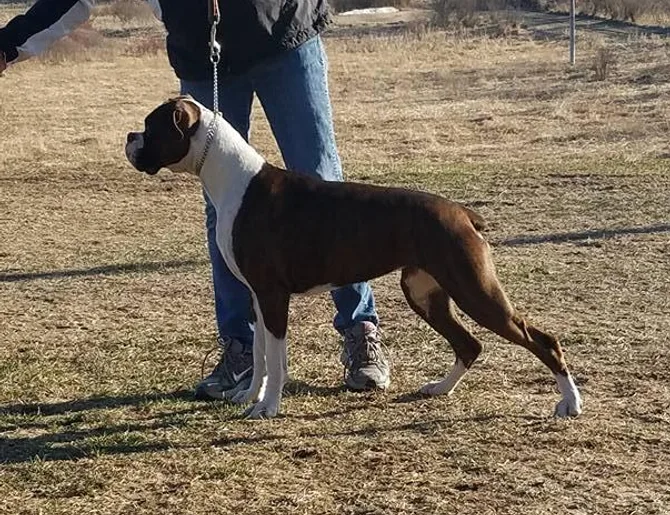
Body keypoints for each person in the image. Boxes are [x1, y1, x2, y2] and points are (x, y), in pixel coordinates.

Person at [0, 0, 391, 399]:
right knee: (222, 204)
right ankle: (240, 348)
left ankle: (360, 329)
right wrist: (8, 43)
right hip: (204, 55)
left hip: (286, 32)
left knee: (324, 186)